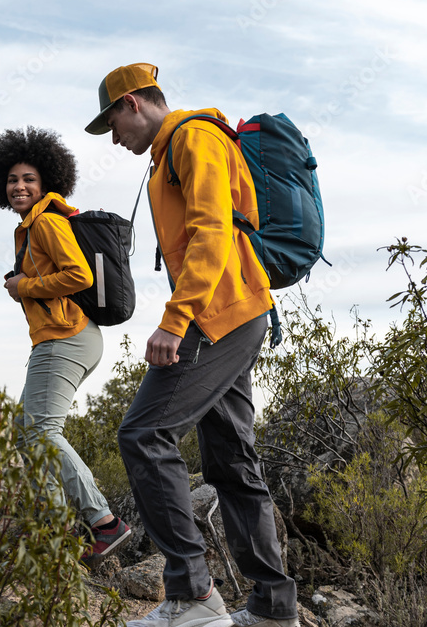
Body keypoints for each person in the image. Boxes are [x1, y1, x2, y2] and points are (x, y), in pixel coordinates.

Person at [85, 64, 299, 627]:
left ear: (132, 103)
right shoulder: (171, 151)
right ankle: (274, 609)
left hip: (218, 314)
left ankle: (193, 595)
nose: (113, 138)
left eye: (111, 123)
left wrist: (176, 321)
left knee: (143, 433)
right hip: (236, 311)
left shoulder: (193, 137)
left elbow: (212, 232)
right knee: (231, 461)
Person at [0, 126, 131, 566]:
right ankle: (54, 529)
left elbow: (79, 274)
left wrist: (24, 286)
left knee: (43, 431)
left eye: (28, 179)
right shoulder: (30, 227)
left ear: (46, 181)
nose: (19, 186)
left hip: (66, 337)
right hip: (65, 337)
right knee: (26, 432)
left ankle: (104, 523)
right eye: (12, 180)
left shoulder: (46, 221)